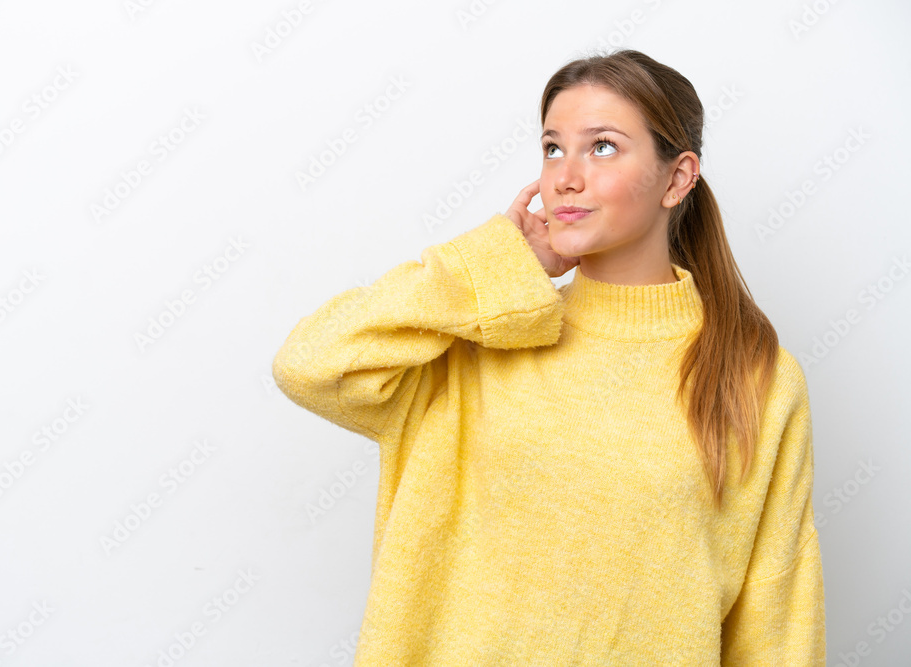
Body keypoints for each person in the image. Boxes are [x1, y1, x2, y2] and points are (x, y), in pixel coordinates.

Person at [273, 49, 825, 665]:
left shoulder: (757, 378)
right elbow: (310, 363)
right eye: (553, 148)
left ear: (678, 178)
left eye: (604, 146)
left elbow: (778, 626)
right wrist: (496, 267)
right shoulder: (479, 339)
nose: (565, 176)